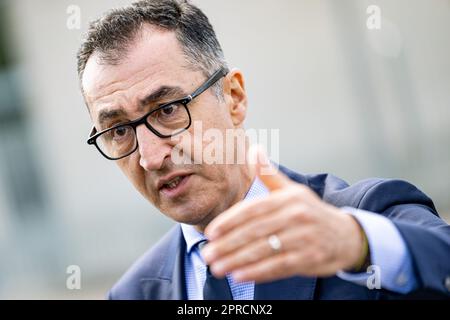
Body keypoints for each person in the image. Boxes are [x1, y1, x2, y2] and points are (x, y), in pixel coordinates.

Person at [77, 0, 450, 300]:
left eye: (168, 110)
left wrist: (359, 244)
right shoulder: (132, 293)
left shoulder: (365, 215)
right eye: (119, 130)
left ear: (234, 97)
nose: (151, 156)